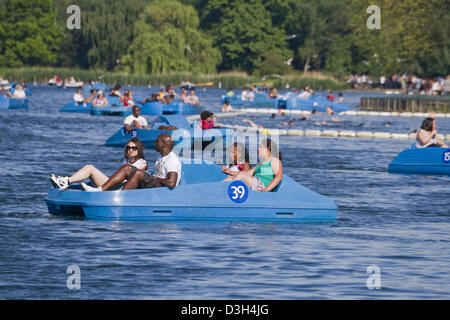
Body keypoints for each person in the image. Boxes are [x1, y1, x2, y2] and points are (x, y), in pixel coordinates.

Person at [82, 133, 181, 191]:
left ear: (164, 145)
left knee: (138, 173)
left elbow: (172, 183)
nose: (154, 143)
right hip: (156, 184)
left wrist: (154, 177)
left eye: (157, 141)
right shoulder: (161, 157)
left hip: (161, 188)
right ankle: (101, 189)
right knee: (127, 168)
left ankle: (119, 196)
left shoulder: (171, 160)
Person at [50, 138, 148, 191]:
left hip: (118, 188)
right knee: (89, 170)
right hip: (113, 184)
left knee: (91, 168)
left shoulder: (142, 163)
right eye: (128, 148)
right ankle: (66, 184)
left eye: (134, 148)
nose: (130, 150)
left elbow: (131, 177)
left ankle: (65, 181)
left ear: (139, 150)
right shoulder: (126, 160)